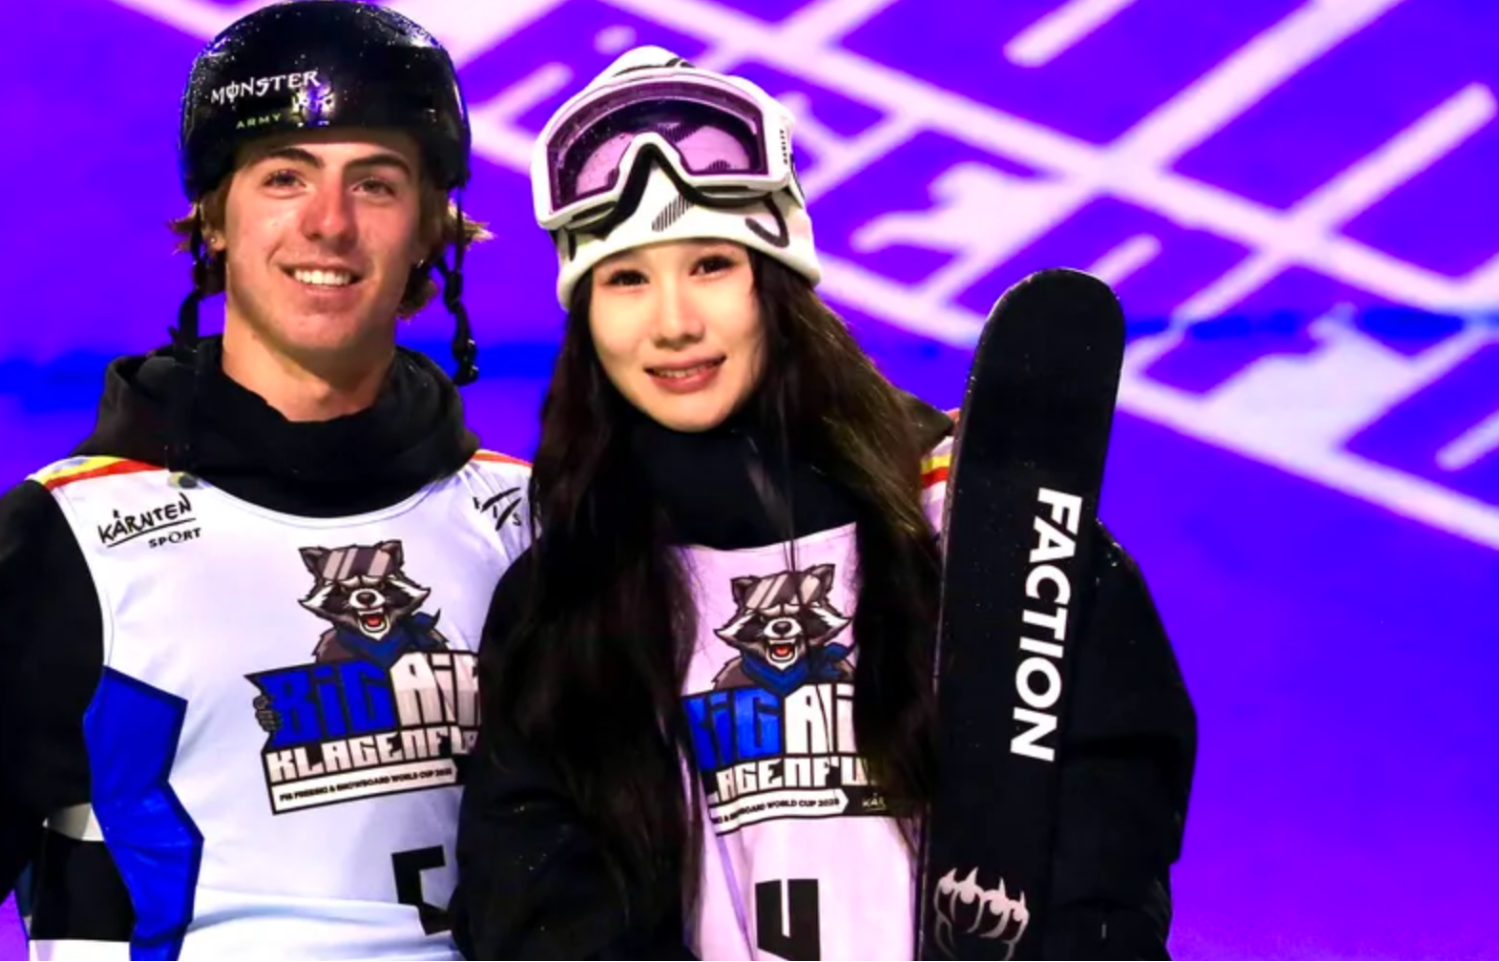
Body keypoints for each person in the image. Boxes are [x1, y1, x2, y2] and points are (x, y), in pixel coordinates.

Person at [0, 0, 532, 959]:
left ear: (435, 222)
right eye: (283, 176)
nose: (329, 223)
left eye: (378, 182)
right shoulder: (80, 535)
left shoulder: (525, 525)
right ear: (215, 218)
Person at [454, 49, 1196, 961]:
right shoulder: (559, 600)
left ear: (779, 279)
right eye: (627, 279)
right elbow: (540, 914)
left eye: (713, 265)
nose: (673, 321)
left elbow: (1110, 829)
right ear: (586, 310)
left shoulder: (975, 527)